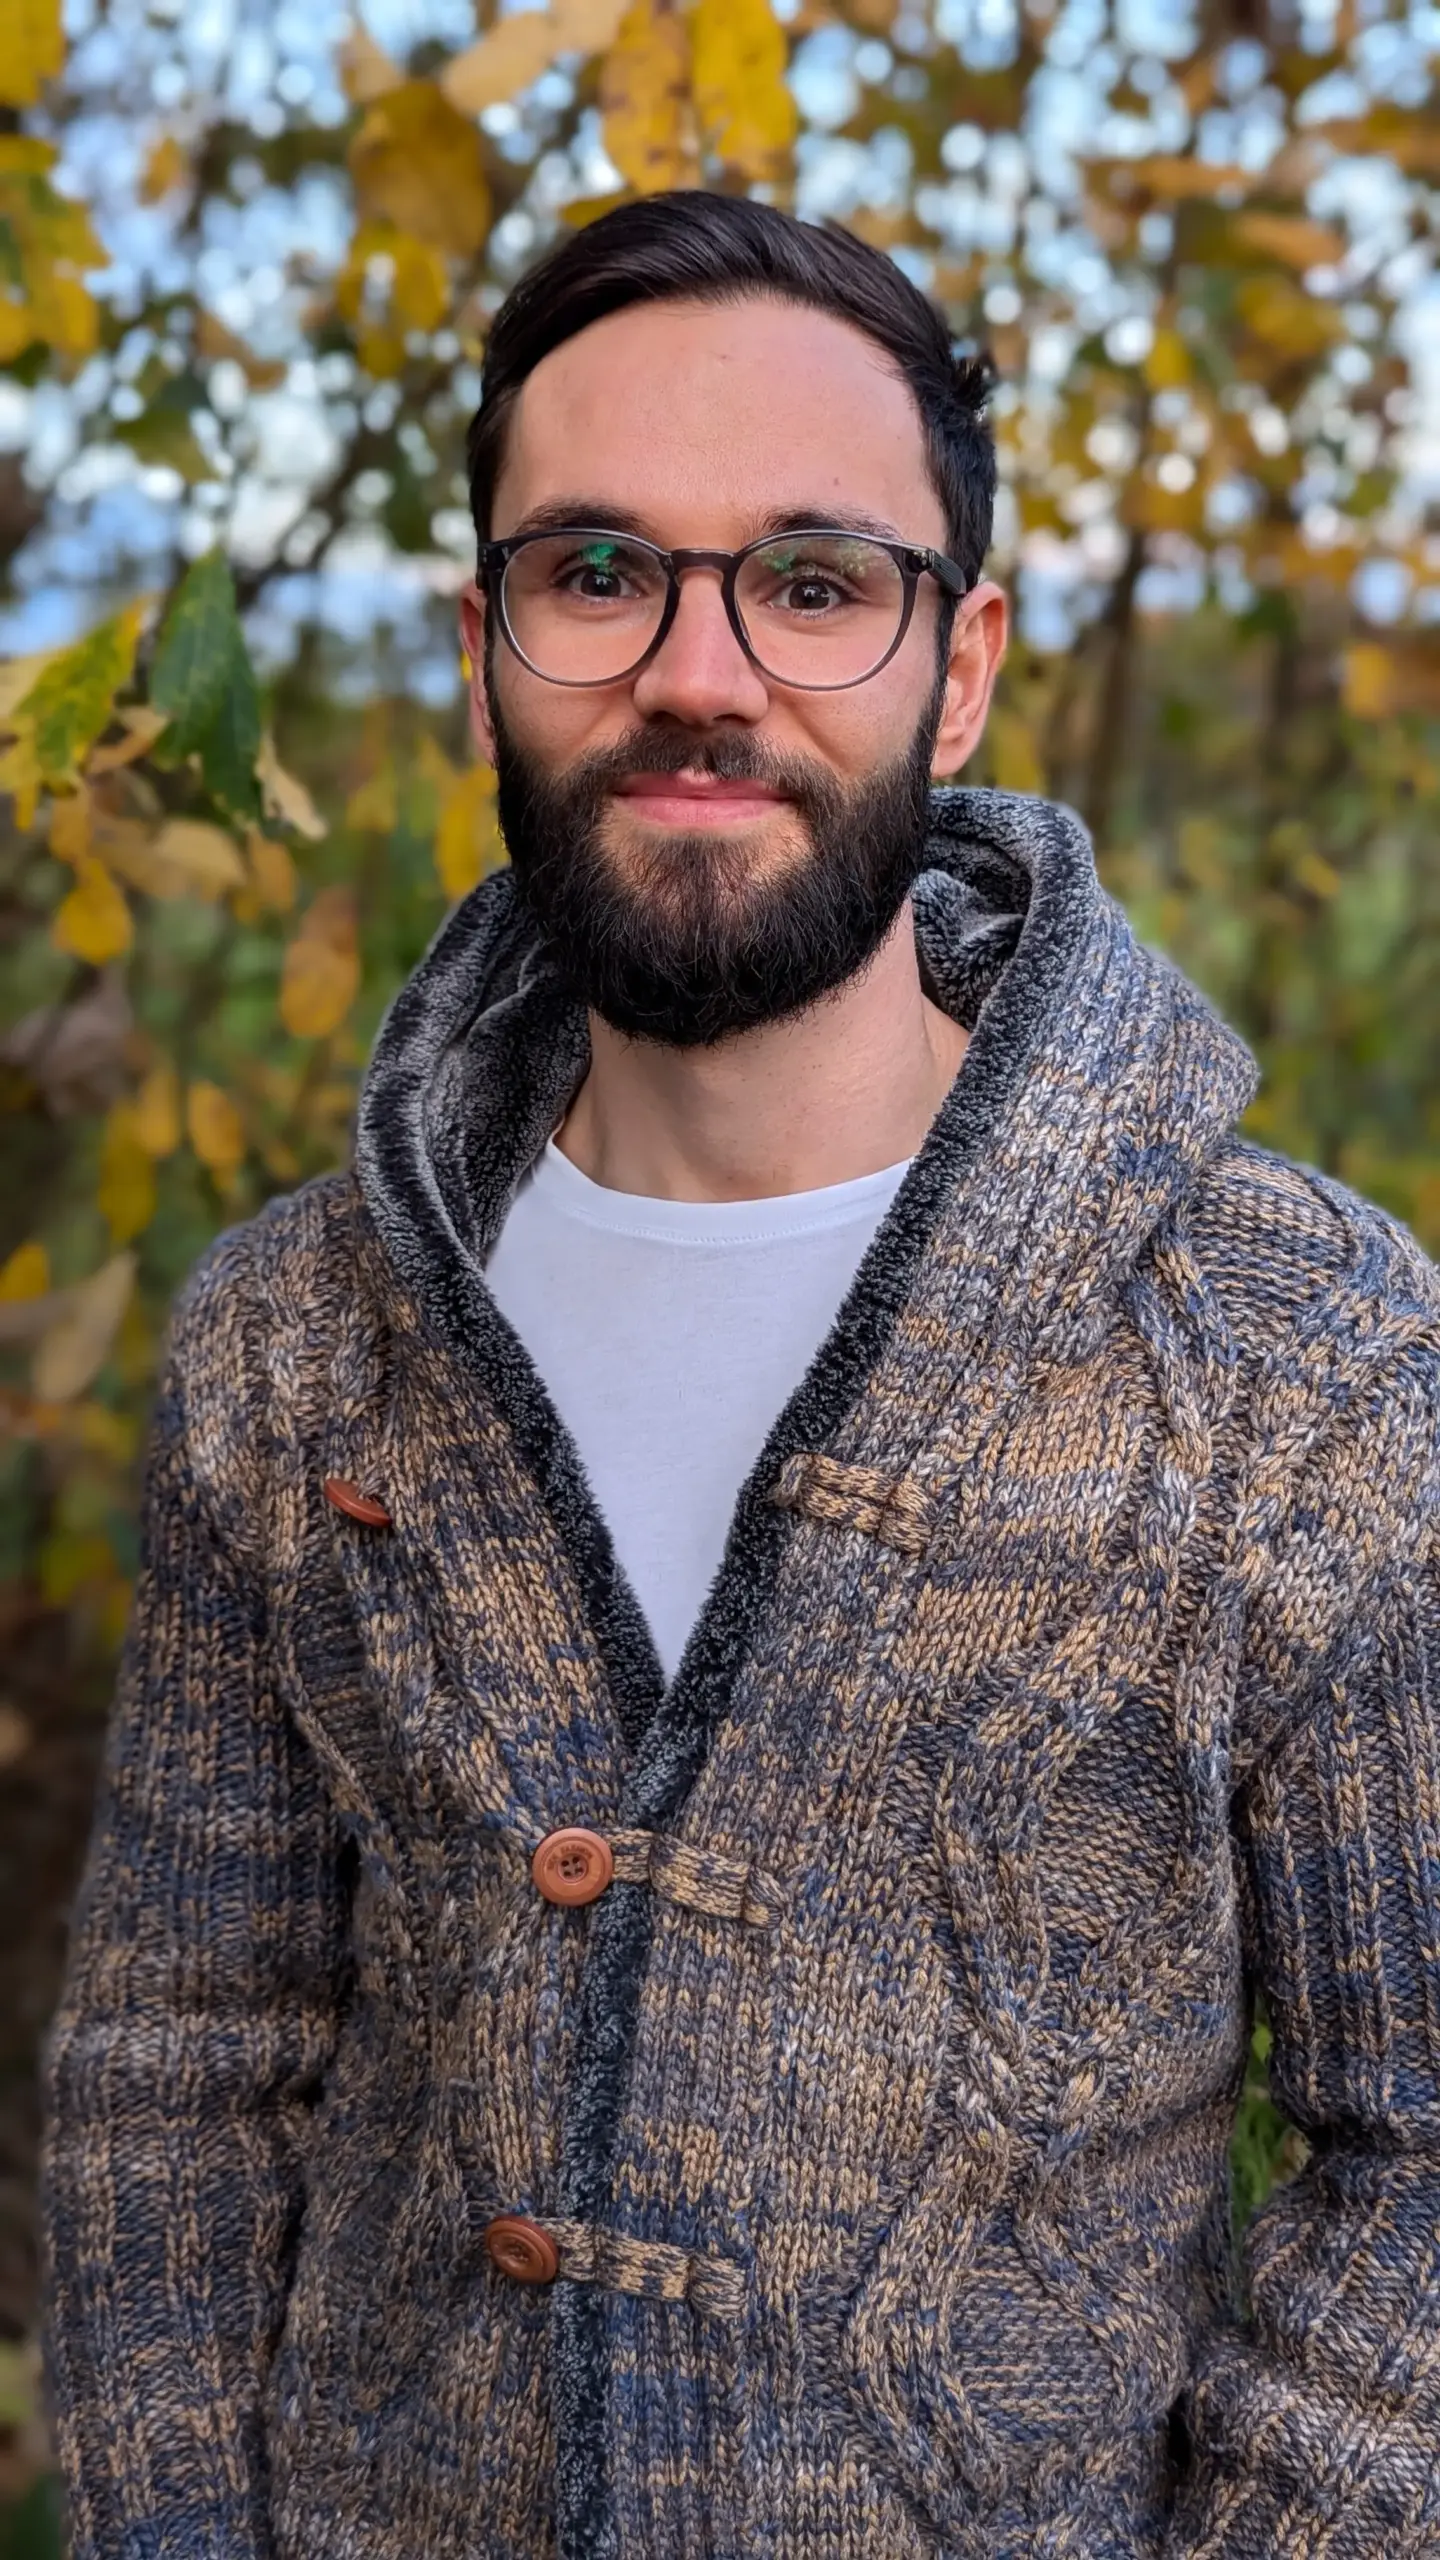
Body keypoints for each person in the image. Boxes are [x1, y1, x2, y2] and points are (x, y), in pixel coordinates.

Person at [38, 190, 1440, 2560]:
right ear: (485, 654)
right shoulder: (300, 1344)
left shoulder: (1306, 1357)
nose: (702, 671)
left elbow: (1417, 2158)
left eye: (813, 581)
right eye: (599, 575)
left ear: (960, 663)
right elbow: (179, 2081)